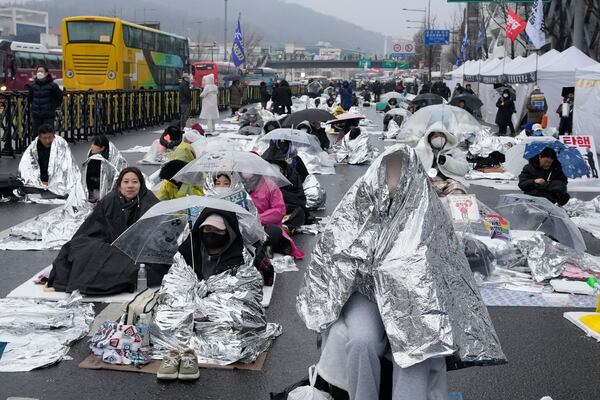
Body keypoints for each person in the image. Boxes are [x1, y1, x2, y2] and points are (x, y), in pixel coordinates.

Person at [297, 145, 506, 400]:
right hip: (366, 294)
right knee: (363, 342)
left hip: (415, 298)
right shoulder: (360, 202)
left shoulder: (427, 208)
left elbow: (444, 260)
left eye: (399, 172)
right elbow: (336, 251)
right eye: (390, 172)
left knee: (417, 349)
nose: (394, 179)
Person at [49, 167, 169, 295]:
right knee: (81, 249)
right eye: (126, 182)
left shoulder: (149, 202)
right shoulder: (110, 199)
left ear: (141, 184)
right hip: (109, 243)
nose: (130, 186)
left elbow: (158, 235)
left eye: (135, 182)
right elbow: (92, 228)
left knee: (131, 265)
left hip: (136, 250)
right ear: (119, 185)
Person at [244, 173, 304, 260]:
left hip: (264, 227)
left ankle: (265, 247)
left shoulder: (269, 185)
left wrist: (257, 218)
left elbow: (279, 210)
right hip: (243, 226)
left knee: (275, 231)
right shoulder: (235, 185)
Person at [18, 123, 79, 198]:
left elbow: (66, 167)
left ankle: (47, 193)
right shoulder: (33, 147)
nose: (47, 141)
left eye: (50, 137)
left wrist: (51, 182)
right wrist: (39, 181)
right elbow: (27, 167)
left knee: (64, 190)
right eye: (44, 138)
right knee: (24, 185)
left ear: (54, 136)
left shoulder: (61, 144)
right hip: (41, 181)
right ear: (39, 137)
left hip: (57, 181)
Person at [262, 140, 309, 231]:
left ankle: (285, 227)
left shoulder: (292, 174)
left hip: (286, 207)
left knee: (299, 212)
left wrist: (280, 194)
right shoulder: (259, 178)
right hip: (266, 209)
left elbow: (298, 197)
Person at [415, 123, 469, 196]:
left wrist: (446, 161)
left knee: (457, 193)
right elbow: (415, 169)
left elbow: (463, 169)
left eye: (442, 135)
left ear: (446, 137)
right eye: (435, 136)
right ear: (429, 139)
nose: (439, 138)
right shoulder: (421, 151)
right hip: (429, 183)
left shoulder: (455, 151)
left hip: (450, 182)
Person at [28, 65, 62, 137]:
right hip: (36, 116)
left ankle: (49, 148)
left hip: (48, 116)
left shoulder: (53, 86)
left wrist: (52, 106)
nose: (39, 73)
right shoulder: (33, 86)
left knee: (48, 135)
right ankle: (36, 148)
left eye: (41, 71)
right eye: (38, 71)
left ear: (46, 73)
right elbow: (30, 99)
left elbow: (59, 98)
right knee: (36, 136)